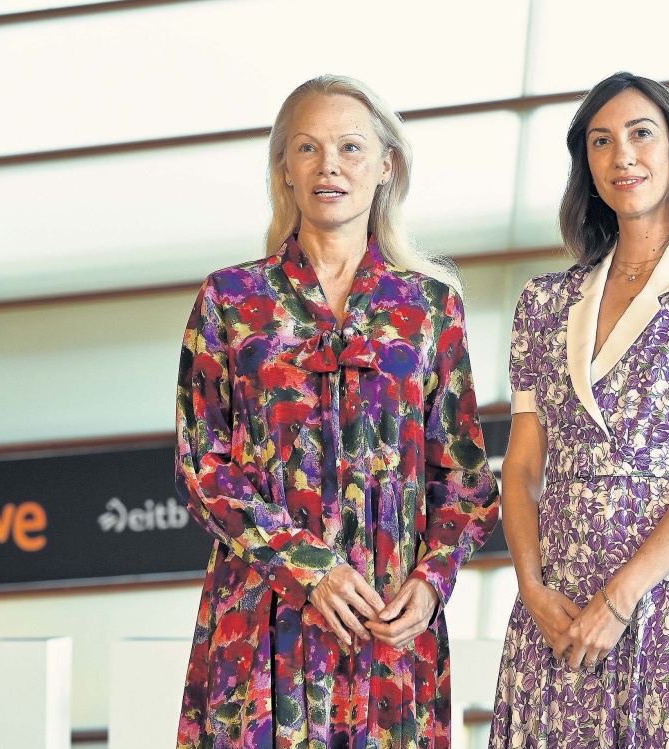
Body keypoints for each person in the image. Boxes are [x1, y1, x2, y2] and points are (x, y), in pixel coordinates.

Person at [174, 75, 500, 749]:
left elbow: (466, 479)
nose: (330, 166)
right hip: (263, 618)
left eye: (351, 147)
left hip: (390, 627)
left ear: (386, 166)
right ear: (284, 170)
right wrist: (308, 567)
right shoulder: (230, 300)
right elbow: (203, 465)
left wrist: (432, 582)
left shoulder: (430, 306)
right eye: (308, 148)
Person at [490, 72, 669, 748]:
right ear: (587, 167)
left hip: (668, 605)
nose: (621, 154)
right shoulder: (543, 303)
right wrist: (532, 588)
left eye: (640, 133)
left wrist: (620, 600)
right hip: (557, 614)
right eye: (600, 141)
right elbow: (522, 469)